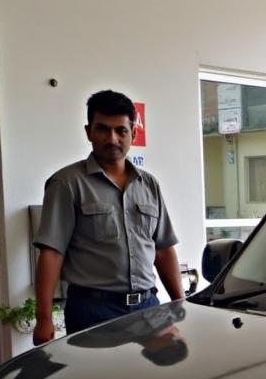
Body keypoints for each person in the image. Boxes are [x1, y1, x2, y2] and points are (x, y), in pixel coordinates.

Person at [33, 89, 185, 344]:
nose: (112, 138)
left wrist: (180, 305)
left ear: (133, 134)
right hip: (93, 311)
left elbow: (163, 250)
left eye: (121, 130)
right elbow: (52, 253)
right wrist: (44, 318)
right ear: (88, 132)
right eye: (103, 129)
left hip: (149, 308)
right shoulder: (67, 183)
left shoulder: (149, 184)